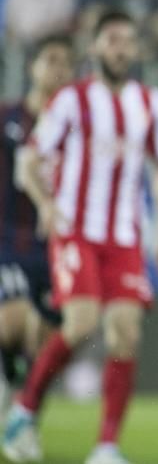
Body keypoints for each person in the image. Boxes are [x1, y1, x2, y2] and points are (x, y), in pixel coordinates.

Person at [3, 10, 158, 464]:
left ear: (136, 50)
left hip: (124, 237)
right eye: (111, 39)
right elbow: (28, 161)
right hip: (77, 230)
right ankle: (25, 408)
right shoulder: (71, 101)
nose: (120, 48)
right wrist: (47, 206)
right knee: (80, 324)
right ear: (96, 47)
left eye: (127, 40)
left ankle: (106, 446)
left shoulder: (149, 102)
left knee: (126, 334)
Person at [0, 37, 75, 407]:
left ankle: (25, 410)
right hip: (9, 241)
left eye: (66, 63)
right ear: (33, 68)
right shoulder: (7, 117)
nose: (58, 70)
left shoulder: (80, 129)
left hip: (58, 248)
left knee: (49, 339)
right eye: (50, 60)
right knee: (12, 322)